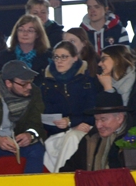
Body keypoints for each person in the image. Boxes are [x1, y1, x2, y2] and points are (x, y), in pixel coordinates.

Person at [38, 41, 97, 172]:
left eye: (64, 57)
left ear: (75, 58)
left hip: (84, 128)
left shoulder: (87, 82)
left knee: (72, 138)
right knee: (60, 142)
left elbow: (93, 113)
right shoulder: (46, 85)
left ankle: (62, 178)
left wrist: (71, 122)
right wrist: (66, 124)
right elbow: (44, 117)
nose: (59, 61)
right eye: (56, 57)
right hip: (56, 133)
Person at [60, 91, 131, 172]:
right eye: (96, 120)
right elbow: (70, 168)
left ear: (119, 118)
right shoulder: (90, 139)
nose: (98, 125)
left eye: (103, 119)